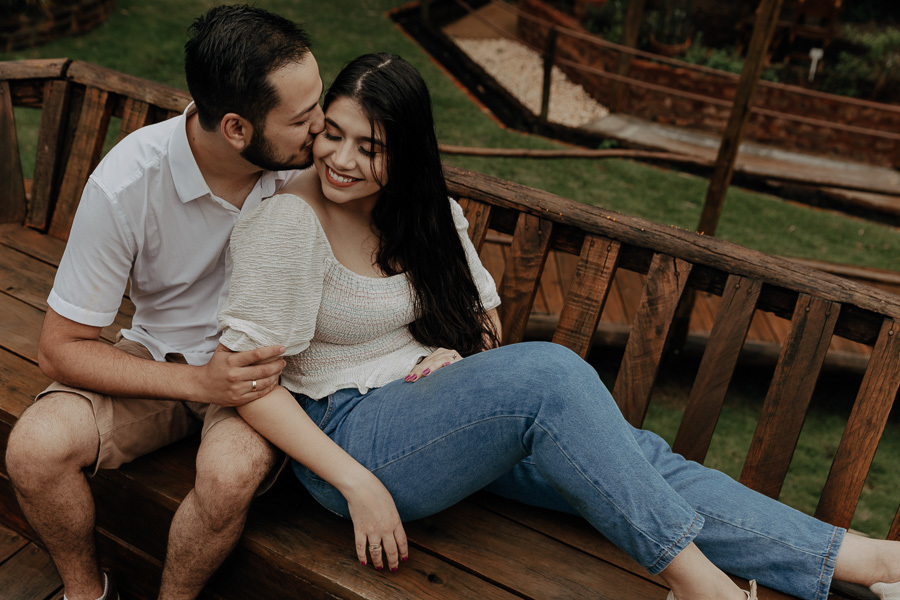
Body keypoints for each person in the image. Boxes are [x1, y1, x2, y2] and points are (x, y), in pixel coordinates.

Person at [216, 53, 900, 600]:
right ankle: (703, 590)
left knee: (635, 459)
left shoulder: (421, 211)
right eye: (332, 134)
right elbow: (251, 385)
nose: (342, 159)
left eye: (372, 146)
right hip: (349, 440)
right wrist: (359, 485)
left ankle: (866, 560)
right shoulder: (288, 221)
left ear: (407, 153)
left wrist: (460, 357)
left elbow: (482, 311)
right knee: (551, 377)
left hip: (434, 420)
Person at [4, 5, 326, 600]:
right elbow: (60, 350)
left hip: (264, 382)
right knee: (33, 449)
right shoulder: (128, 182)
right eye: (303, 117)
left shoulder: (314, 168)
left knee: (228, 475)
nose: (323, 128)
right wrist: (202, 383)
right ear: (236, 128)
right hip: (167, 363)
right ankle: (86, 593)